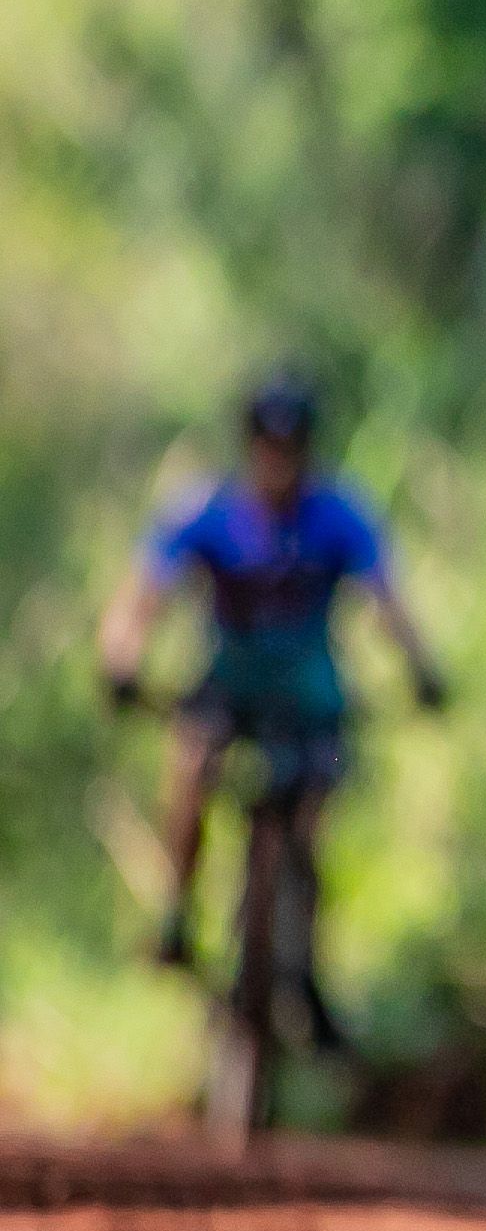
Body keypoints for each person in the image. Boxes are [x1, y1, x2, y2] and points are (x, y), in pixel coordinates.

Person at [94, 369, 446, 1035]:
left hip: (311, 691)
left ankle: (306, 962)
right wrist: (120, 657)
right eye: (267, 445)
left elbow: (388, 601)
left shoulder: (338, 515)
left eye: (291, 447)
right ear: (249, 444)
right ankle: (176, 914)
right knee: (192, 765)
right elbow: (144, 594)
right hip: (228, 684)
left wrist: (424, 670)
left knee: (311, 820)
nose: (278, 462)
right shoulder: (209, 512)